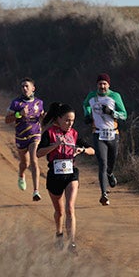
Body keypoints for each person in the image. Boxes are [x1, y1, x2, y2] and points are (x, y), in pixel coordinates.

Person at [36, 102, 95, 252]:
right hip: (54, 175)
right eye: (67, 120)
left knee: (70, 207)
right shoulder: (49, 134)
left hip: (71, 174)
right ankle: (59, 234)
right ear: (59, 119)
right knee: (60, 212)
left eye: (72, 121)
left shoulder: (74, 134)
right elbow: (38, 153)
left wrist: (82, 150)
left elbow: (92, 150)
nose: (70, 124)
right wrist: (55, 145)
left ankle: (72, 243)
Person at [83, 73, 128, 206]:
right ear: (96, 85)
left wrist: (111, 112)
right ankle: (104, 194)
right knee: (102, 163)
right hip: (98, 134)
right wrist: (87, 115)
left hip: (113, 134)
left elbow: (124, 115)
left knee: (111, 162)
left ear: (109, 85)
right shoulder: (91, 96)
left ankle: (110, 173)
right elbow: (85, 104)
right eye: (100, 84)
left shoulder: (115, 96)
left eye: (104, 84)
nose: (102, 86)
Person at [4, 78, 44, 201]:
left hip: (35, 135)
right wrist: (19, 114)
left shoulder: (39, 102)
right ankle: (21, 175)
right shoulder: (16, 103)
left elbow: (42, 116)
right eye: (22, 87)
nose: (24, 89)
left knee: (34, 160)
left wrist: (45, 116)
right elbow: (7, 120)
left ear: (33, 88)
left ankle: (36, 191)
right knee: (25, 163)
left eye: (27, 86)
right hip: (21, 136)